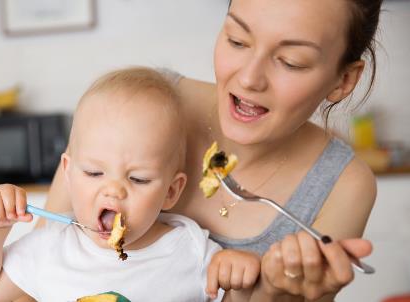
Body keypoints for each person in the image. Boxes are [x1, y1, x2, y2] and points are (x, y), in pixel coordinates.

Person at [40, 0, 383, 301]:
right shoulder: (136, 106)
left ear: (343, 81)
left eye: (291, 61)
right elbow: (31, 279)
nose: (249, 78)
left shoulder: (342, 185)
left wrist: (274, 296)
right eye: (237, 40)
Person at [0, 67, 261, 302]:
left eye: (138, 178)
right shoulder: (53, 247)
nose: (113, 190)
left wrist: (238, 274)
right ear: (68, 174)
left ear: (171, 191)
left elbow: (235, 291)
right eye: (94, 173)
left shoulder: (190, 251)